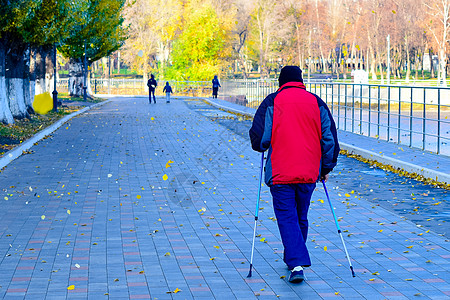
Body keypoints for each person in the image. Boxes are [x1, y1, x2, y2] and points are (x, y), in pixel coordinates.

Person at [249, 66, 339, 283]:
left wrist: (266, 143)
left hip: (280, 172)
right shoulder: (316, 102)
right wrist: (326, 168)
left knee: (287, 217)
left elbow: (259, 138)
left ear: (280, 81)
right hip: (308, 172)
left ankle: (296, 263)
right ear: (300, 81)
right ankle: (293, 256)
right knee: (301, 215)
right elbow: (329, 140)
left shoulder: (272, 101)